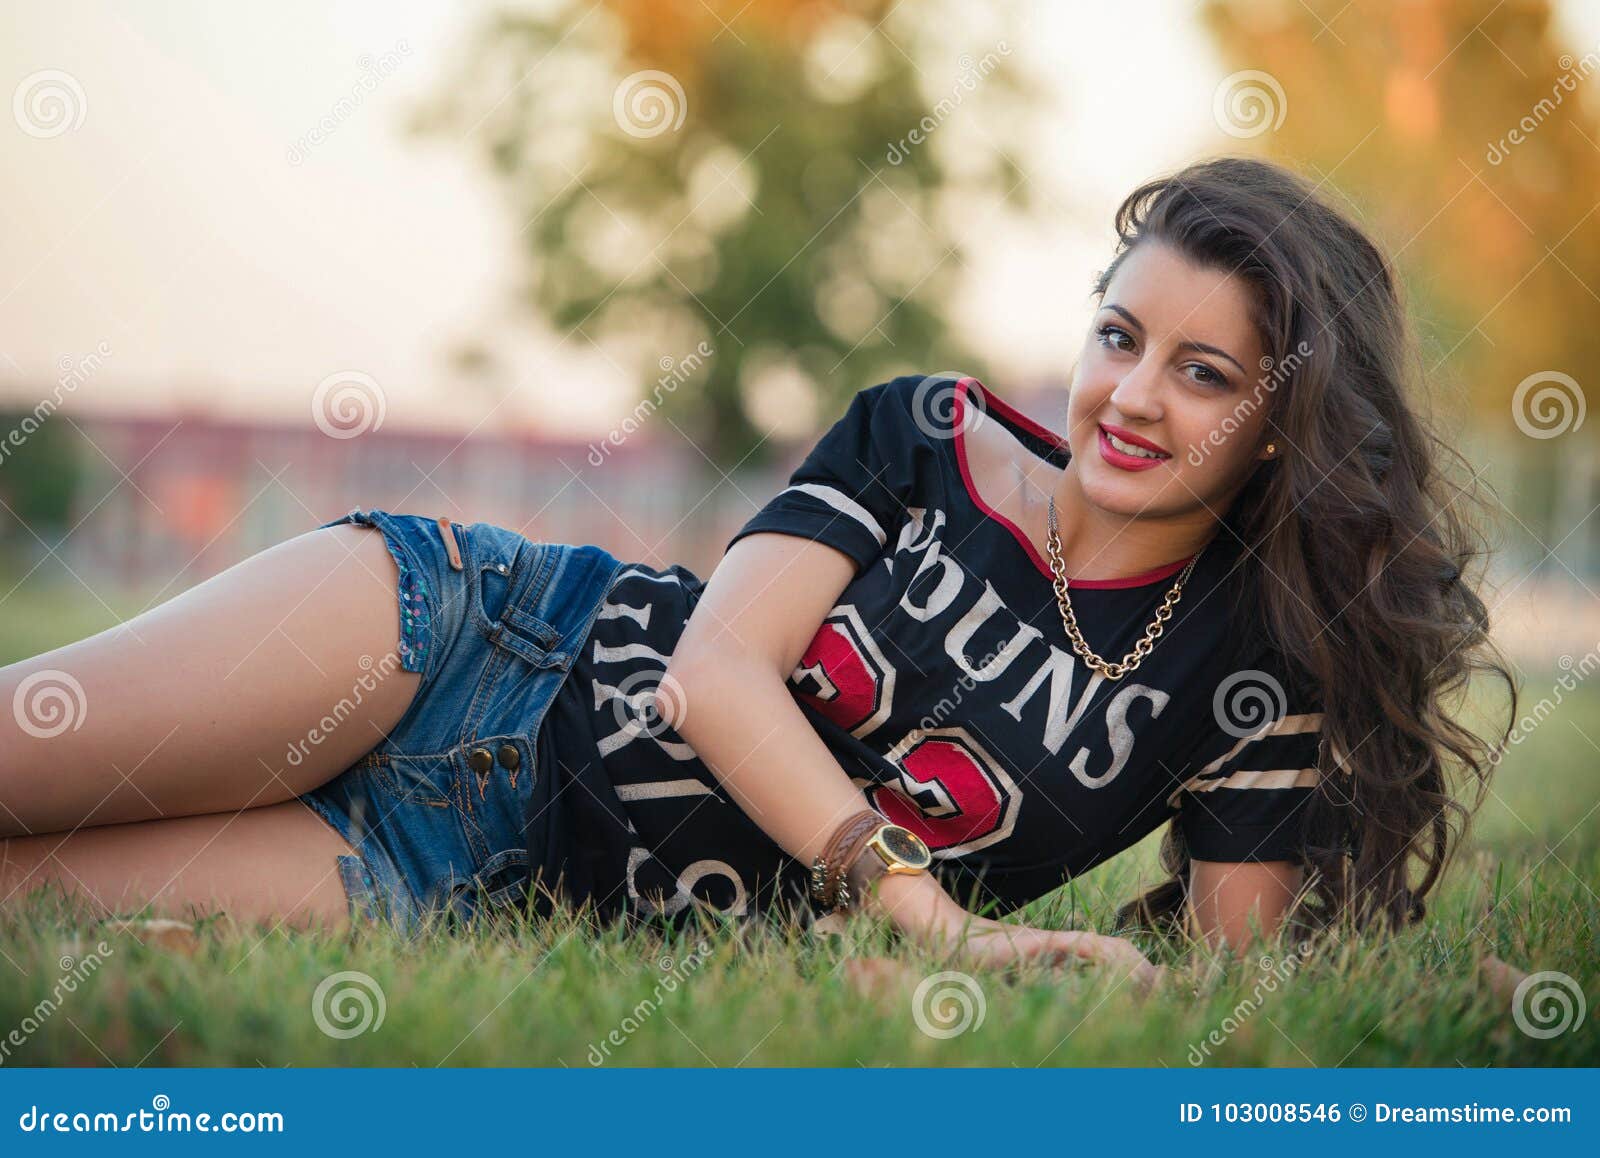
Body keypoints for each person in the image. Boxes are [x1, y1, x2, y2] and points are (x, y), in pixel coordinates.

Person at [0, 157, 1515, 982]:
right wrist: (924, 913)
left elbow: (1228, 977)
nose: (1130, 396)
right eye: (1120, 337)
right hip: (470, 647)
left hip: (476, 880)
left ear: (1281, 426)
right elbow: (713, 670)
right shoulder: (925, 437)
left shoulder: (1252, 673)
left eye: (1205, 374)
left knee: (25, 890)